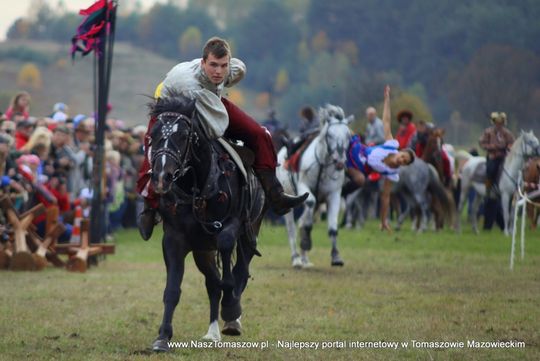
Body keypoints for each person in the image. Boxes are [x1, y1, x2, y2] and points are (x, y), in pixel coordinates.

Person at [136, 37, 308, 240]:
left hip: (211, 100)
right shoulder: (186, 81)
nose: (218, 71)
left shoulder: (231, 70)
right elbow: (215, 127)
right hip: (170, 108)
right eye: (213, 66)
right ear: (202, 63)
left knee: (260, 134)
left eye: (223, 66)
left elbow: (237, 72)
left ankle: (275, 194)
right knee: (157, 151)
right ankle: (150, 207)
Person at [345, 86, 415, 232]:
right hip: (357, 149)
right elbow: (386, 121)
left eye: (405, 161)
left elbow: (385, 198)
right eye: (403, 156)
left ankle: (339, 194)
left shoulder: (392, 174)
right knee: (344, 131)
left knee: (360, 181)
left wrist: (383, 221)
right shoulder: (391, 144)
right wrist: (387, 100)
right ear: (400, 152)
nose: (401, 160)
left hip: (360, 169)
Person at [478, 111, 514, 230]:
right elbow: (481, 142)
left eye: (501, 123)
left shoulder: (507, 133)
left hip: (504, 157)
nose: (499, 125)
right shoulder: (488, 132)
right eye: (497, 123)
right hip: (493, 157)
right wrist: (491, 147)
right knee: (491, 168)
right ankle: (489, 186)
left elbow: (512, 143)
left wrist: (508, 147)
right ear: (494, 122)